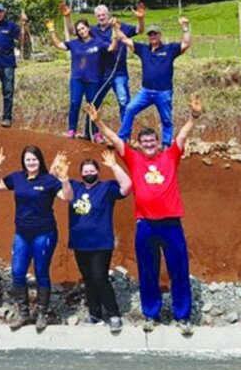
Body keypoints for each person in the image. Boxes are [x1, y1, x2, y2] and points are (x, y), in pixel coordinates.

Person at [85, 95, 203, 336]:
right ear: (138, 144)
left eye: (152, 140)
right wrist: (98, 123)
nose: (149, 144)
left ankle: (183, 316)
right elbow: (116, 140)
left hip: (171, 224)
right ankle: (151, 313)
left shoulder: (170, 156)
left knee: (178, 270)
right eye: (145, 141)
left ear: (159, 143)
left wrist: (194, 116)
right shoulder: (134, 158)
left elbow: (182, 136)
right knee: (148, 270)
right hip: (146, 224)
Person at [0, 144, 73, 332]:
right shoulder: (17, 178)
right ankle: (24, 312)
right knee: (17, 272)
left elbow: (67, 197)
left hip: (44, 233)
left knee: (41, 272)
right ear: (23, 161)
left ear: (40, 160)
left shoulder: (49, 180)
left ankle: (42, 313)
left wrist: (65, 179)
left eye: (34, 159)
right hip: (22, 234)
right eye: (28, 159)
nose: (31, 163)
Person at [66, 150, 131, 332]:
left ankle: (114, 315)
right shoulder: (74, 186)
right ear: (81, 173)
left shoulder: (107, 188)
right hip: (80, 243)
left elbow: (127, 186)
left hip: (101, 243)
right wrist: (58, 170)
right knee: (88, 279)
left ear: (98, 171)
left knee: (100, 277)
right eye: (85, 171)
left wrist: (114, 166)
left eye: (91, 170)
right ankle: (95, 315)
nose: (88, 174)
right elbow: (56, 187)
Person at [62, 2, 146, 129]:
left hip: (119, 73)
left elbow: (139, 30)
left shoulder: (119, 26)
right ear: (96, 17)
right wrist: (67, 17)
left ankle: (124, 135)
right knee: (94, 103)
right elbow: (73, 31)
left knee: (124, 103)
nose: (101, 17)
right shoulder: (94, 31)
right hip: (101, 73)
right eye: (99, 15)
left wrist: (140, 18)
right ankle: (89, 132)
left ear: (108, 14)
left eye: (103, 14)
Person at [114, 16, 192, 146]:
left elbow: (186, 44)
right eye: (150, 34)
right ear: (148, 37)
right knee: (130, 109)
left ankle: (166, 144)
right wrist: (116, 28)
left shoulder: (170, 49)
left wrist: (185, 28)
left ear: (160, 35)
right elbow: (124, 39)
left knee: (166, 119)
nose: (153, 36)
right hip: (146, 92)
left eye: (155, 34)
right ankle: (123, 138)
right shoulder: (143, 49)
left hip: (164, 92)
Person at [46, 16, 117, 141]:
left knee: (93, 106)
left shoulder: (98, 42)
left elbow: (111, 47)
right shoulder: (74, 44)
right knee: (75, 103)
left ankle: (94, 133)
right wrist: (52, 31)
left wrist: (115, 31)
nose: (81, 31)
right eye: (78, 30)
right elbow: (58, 45)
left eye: (83, 28)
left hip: (93, 80)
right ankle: (71, 130)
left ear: (88, 28)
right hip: (77, 79)